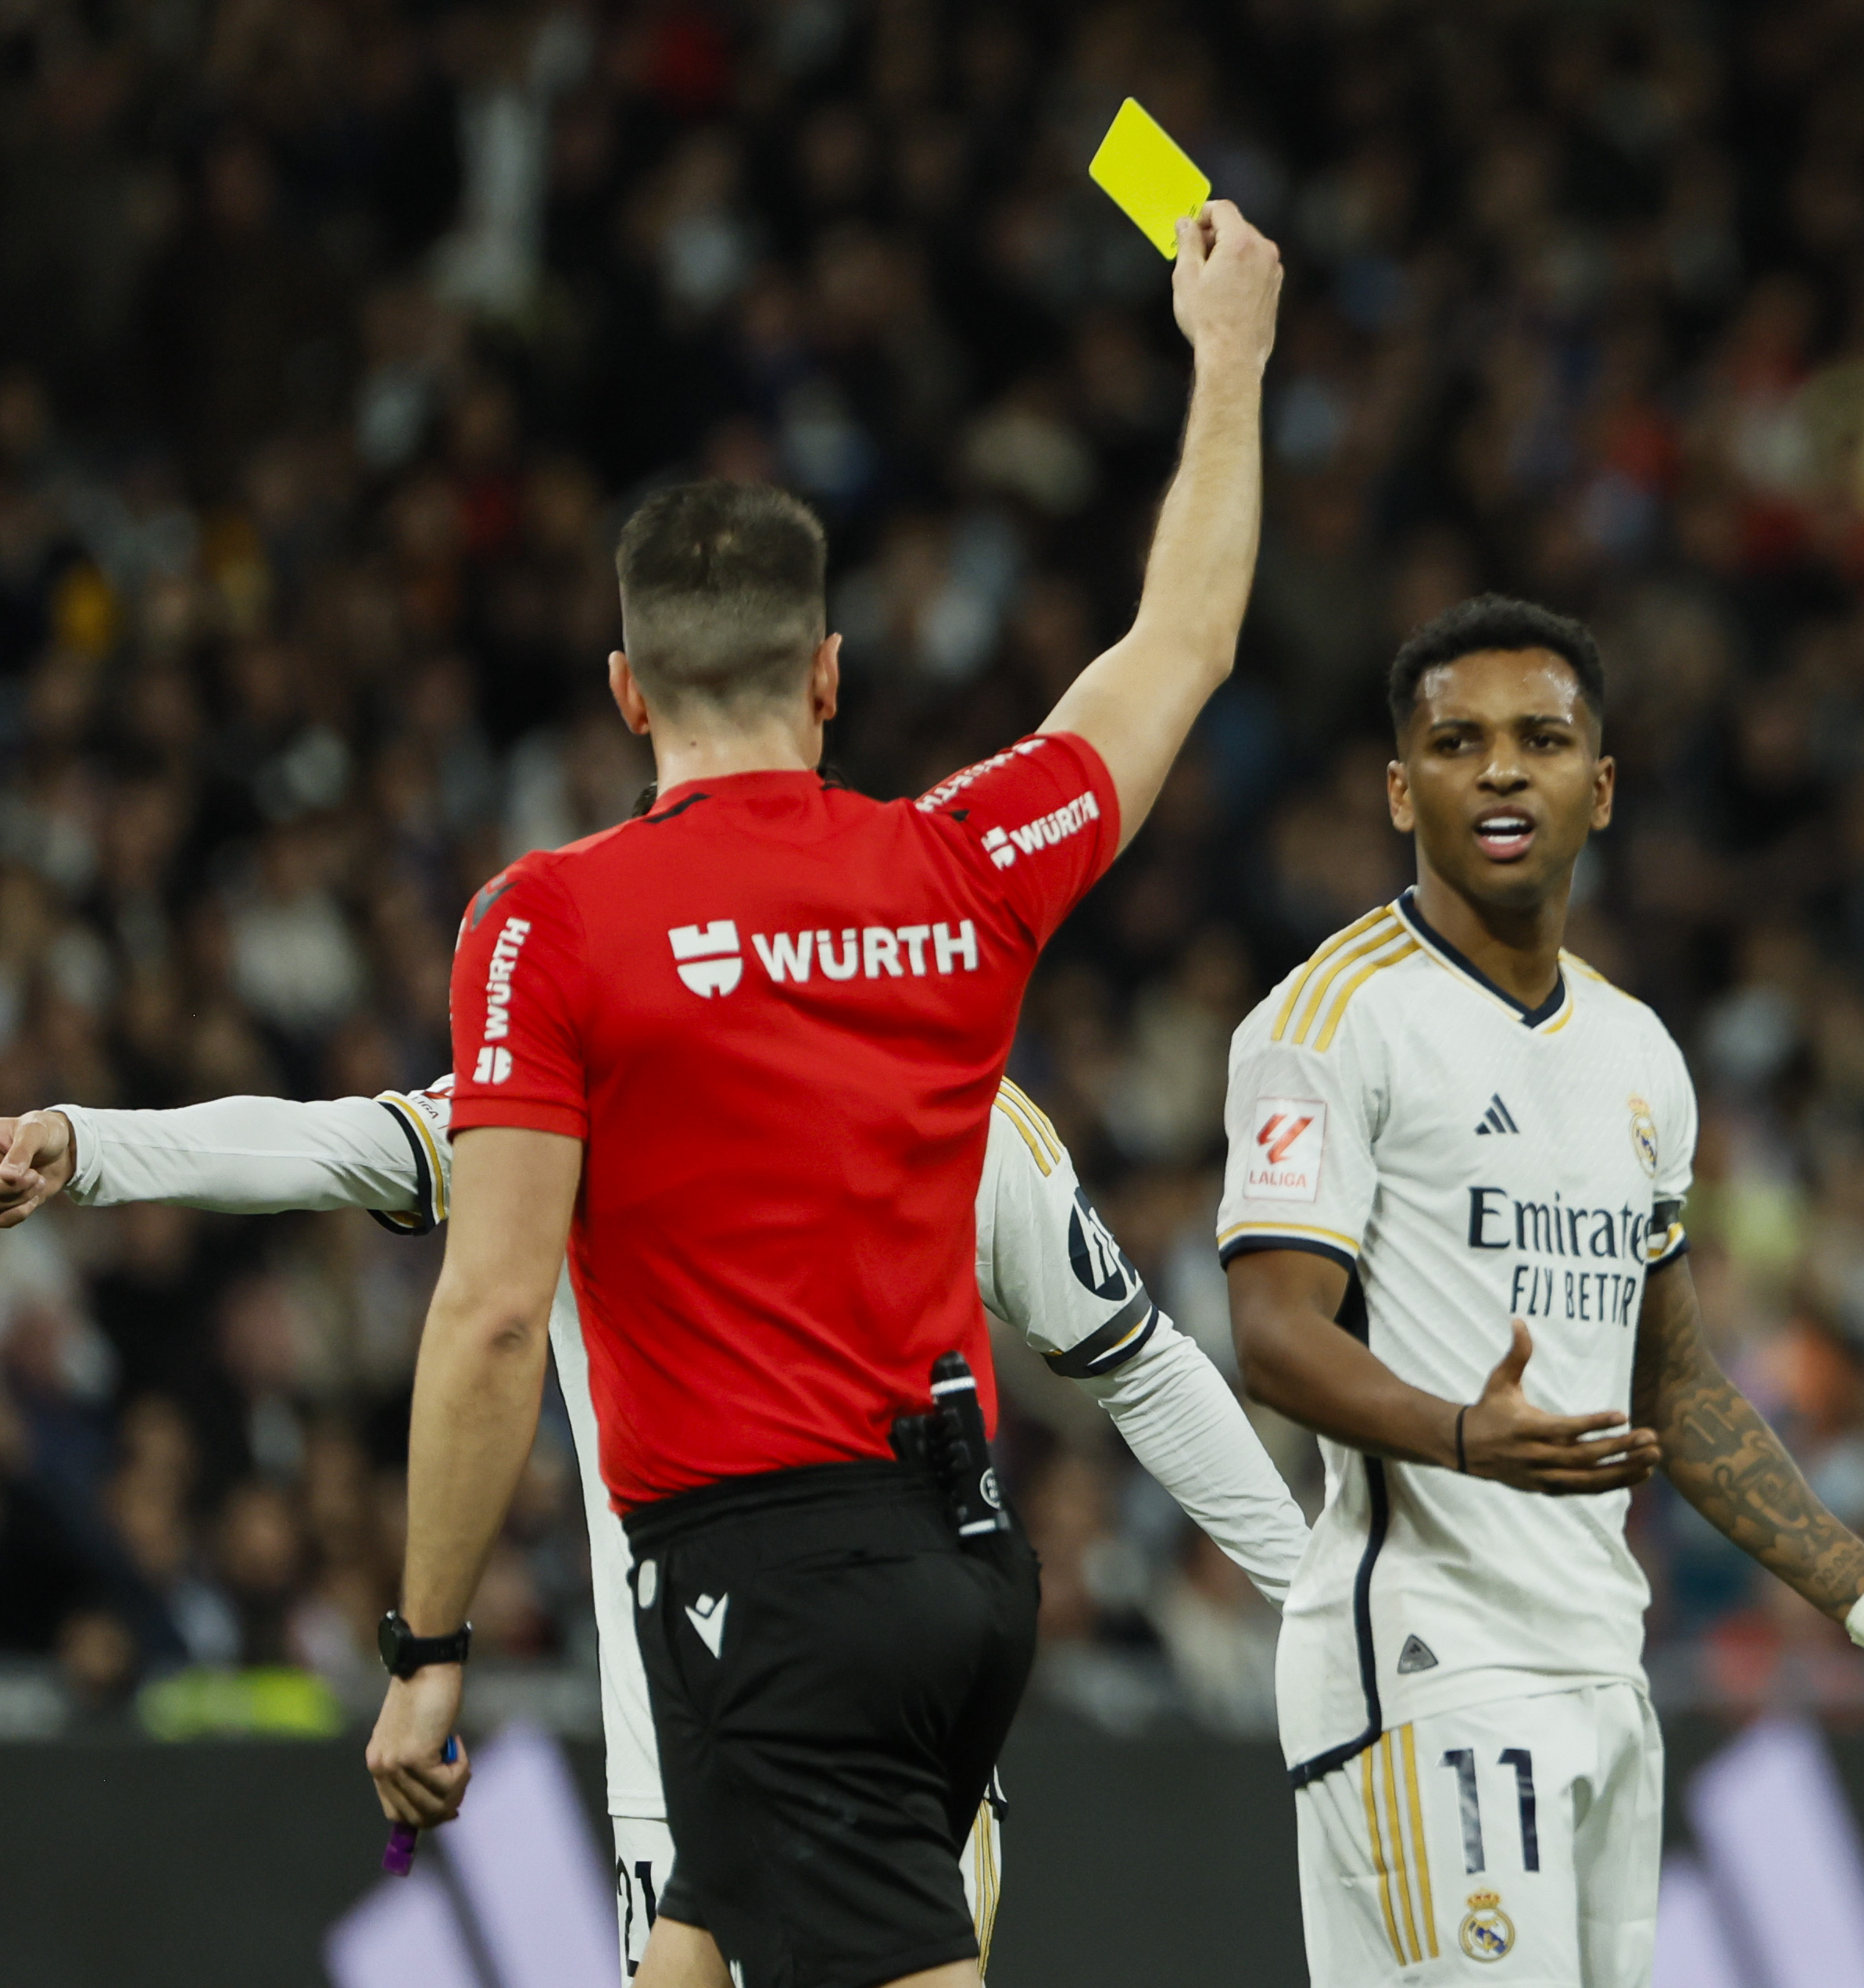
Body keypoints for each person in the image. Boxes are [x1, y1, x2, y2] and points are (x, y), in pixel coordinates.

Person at [362, 202, 1279, 1988]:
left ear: (626, 692)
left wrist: (427, 1643)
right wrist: (1228, 358)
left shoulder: (545, 926)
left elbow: (487, 1315)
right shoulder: (959, 864)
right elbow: (1178, 648)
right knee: (685, 1961)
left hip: (762, 1585)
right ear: (831, 678)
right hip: (958, 1564)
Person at [0, 1071, 1308, 1975]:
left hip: (880, 1754)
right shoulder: (586, 1078)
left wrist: (1319, 1600)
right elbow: (346, 1145)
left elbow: (1142, 1362)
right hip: (690, 1770)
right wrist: (89, 1146)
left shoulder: (922, 1094)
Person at [1218, 594, 1864, 1987]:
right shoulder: (1330, 1020)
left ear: (1602, 785)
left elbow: (1678, 1391)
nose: (1503, 768)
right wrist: (1462, 1435)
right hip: (1427, 1671)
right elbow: (1270, 1332)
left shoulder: (1636, 1055)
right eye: (1457, 743)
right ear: (1402, 790)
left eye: (1541, 738)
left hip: (1601, 1675)